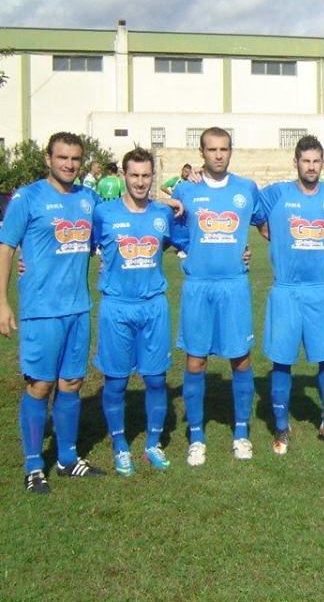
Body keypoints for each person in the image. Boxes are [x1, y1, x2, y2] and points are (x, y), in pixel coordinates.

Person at [0, 132, 104, 493]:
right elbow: (7, 247)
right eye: (63, 158)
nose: (70, 165)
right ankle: (32, 466)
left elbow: (123, 224)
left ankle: (67, 458)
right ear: (48, 158)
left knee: (72, 382)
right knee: (40, 384)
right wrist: (2, 301)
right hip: (42, 310)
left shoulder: (89, 199)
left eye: (75, 159)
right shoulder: (27, 198)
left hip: (78, 308)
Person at [172, 127, 262, 466]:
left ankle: (241, 432)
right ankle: (196, 436)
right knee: (195, 360)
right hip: (198, 287)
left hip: (234, 286)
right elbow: (174, 233)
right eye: (212, 149)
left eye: (224, 148)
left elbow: (268, 224)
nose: (219, 155)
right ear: (202, 152)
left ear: (231, 151)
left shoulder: (246, 189)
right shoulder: (187, 189)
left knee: (241, 358)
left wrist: (247, 249)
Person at [92, 147, 178, 476]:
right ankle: (120, 445)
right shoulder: (104, 213)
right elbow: (78, 246)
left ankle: (153, 443)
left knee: (156, 380)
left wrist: (241, 254)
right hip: (117, 307)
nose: (140, 182)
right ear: (123, 176)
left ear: (152, 177)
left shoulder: (162, 214)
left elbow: (183, 241)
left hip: (154, 306)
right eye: (134, 175)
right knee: (115, 383)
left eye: (146, 176)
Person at [257, 135, 324, 454]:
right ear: (295, 163)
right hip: (285, 291)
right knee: (282, 362)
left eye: (316, 161)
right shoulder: (277, 194)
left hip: (320, 291)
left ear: (323, 163)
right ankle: (281, 427)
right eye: (305, 161)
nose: (311, 167)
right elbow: (249, 214)